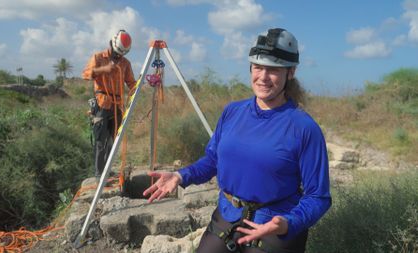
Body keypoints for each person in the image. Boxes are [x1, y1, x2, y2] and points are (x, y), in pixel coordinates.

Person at [143, 28, 331, 253]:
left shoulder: (304, 128)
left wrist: (289, 223)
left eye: (273, 70)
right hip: (227, 215)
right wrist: (181, 175)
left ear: (290, 73)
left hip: (274, 225)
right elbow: (213, 160)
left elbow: (318, 196)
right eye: (258, 67)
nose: (262, 77)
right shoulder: (233, 112)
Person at [82, 29, 137, 179]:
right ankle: (99, 174)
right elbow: (86, 74)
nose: (118, 56)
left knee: (113, 140)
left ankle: (107, 169)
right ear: (112, 44)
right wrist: (103, 69)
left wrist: (141, 85)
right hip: (102, 104)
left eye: (121, 54)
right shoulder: (98, 57)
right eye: (117, 52)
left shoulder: (125, 63)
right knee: (100, 141)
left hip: (117, 105)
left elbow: (131, 83)